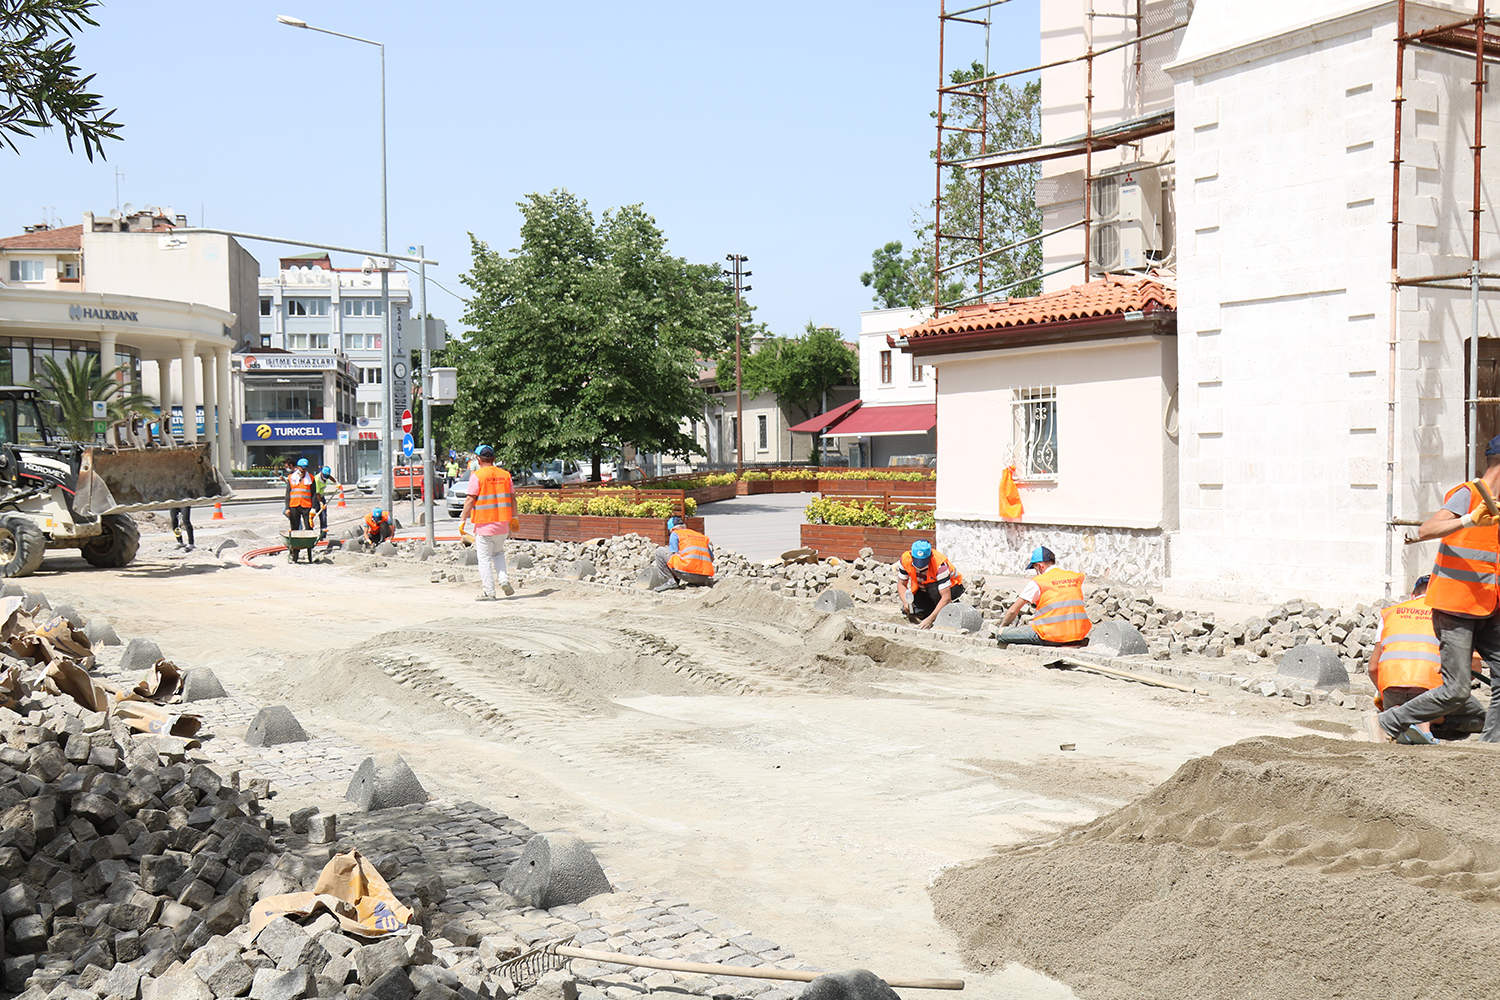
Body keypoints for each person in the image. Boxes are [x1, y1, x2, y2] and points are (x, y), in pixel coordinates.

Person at [1369, 440, 1500, 743]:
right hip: (1455, 607)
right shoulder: (1469, 495)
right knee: (1457, 690)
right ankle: (1389, 722)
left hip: (1489, 607)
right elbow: (1427, 530)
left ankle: (1491, 749)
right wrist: (1468, 520)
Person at [1368, 575, 1486, 744]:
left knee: (1402, 703)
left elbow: (1373, 667)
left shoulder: (1390, 613)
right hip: (1432, 690)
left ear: (1412, 596)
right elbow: (1474, 667)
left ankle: (1399, 714)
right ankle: (1427, 720)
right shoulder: (1453, 615)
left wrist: (1385, 695)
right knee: (1481, 718)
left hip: (1392, 691)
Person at [997, 546, 1091, 646]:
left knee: (1001, 634)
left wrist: (1003, 627)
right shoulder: (1073, 577)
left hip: (1051, 637)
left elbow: (1013, 611)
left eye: (1035, 568)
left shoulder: (1039, 581)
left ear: (1040, 566)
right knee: (1033, 624)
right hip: (1078, 635)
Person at [460, 445, 517, 601]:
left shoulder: (477, 476)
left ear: (478, 459)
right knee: (498, 553)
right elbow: (512, 499)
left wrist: (462, 519)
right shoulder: (505, 475)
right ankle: (503, 579)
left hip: (485, 525)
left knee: (484, 559)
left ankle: (489, 592)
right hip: (503, 525)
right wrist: (515, 518)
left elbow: (470, 499)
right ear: (494, 458)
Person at [895, 539, 964, 629]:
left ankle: (946, 612)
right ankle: (933, 611)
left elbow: (946, 597)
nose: (920, 566)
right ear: (911, 555)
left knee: (933, 589)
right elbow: (901, 585)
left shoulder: (940, 566)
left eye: (923, 562)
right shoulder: (905, 559)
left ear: (930, 557)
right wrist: (906, 602)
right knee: (913, 610)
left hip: (951, 588)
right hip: (924, 588)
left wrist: (930, 620)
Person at [653, 515, 714, 591]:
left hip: (688, 575)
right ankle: (696, 582)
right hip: (704, 577)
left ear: (673, 529)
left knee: (660, 551)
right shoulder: (700, 536)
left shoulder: (675, 534)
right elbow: (711, 558)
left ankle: (671, 581)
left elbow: (675, 555)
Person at [313, 465, 337, 540]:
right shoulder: (317, 479)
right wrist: (320, 503)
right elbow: (317, 493)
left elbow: (330, 477)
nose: (326, 477)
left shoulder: (326, 476)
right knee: (312, 515)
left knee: (323, 516)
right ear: (321, 473)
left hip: (322, 497)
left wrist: (336, 483)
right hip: (315, 498)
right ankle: (309, 533)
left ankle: (323, 534)